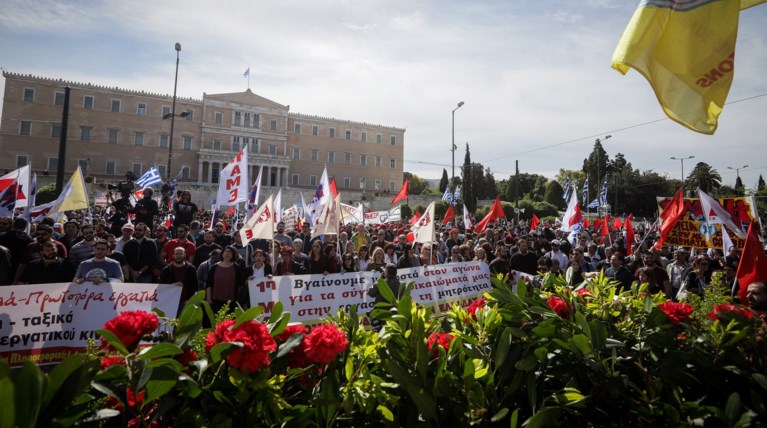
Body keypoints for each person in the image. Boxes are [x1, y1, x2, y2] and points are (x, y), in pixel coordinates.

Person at [206, 246, 248, 312]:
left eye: (230, 252)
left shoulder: (236, 267)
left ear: (233, 255)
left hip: (231, 301)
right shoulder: (214, 267)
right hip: (216, 301)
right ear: (222, 254)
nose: (227, 253)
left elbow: (241, 283)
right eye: (226, 251)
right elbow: (209, 283)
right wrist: (208, 298)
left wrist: (249, 280)